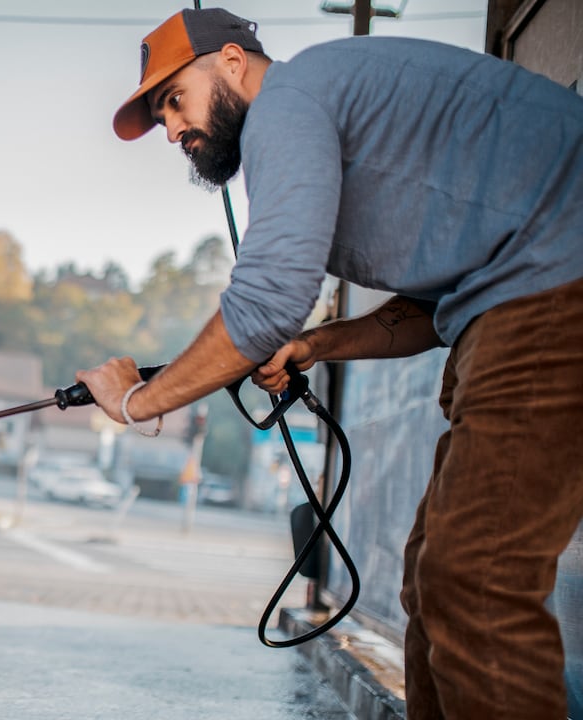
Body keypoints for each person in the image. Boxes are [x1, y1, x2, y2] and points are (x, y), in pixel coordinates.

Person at [74, 7, 583, 719]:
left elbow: (265, 301)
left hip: (557, 282)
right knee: (434, 581)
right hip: (513, 299)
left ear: (230, 62)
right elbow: (429, 314)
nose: (172, 128)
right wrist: (317, 345)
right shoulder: (314, 111)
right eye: (161, 116)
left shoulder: (289, 100)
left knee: (478, 581)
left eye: (174, 100)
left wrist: (138, 401)